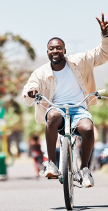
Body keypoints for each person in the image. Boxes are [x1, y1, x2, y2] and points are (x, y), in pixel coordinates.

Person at [22, 14, 108, 188]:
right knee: (52, 116)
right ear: (47, 52)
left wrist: (105, 36)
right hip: (57, 110)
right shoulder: (40, 72)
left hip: (79, 109)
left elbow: (102, 54)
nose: (55, 51)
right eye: (52, 48)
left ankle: (84, 169)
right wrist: (31, 92)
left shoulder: (80, 61)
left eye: (59, 48)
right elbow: (29, 86)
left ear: (64, 50)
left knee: (88, 128)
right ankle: (52, 164)